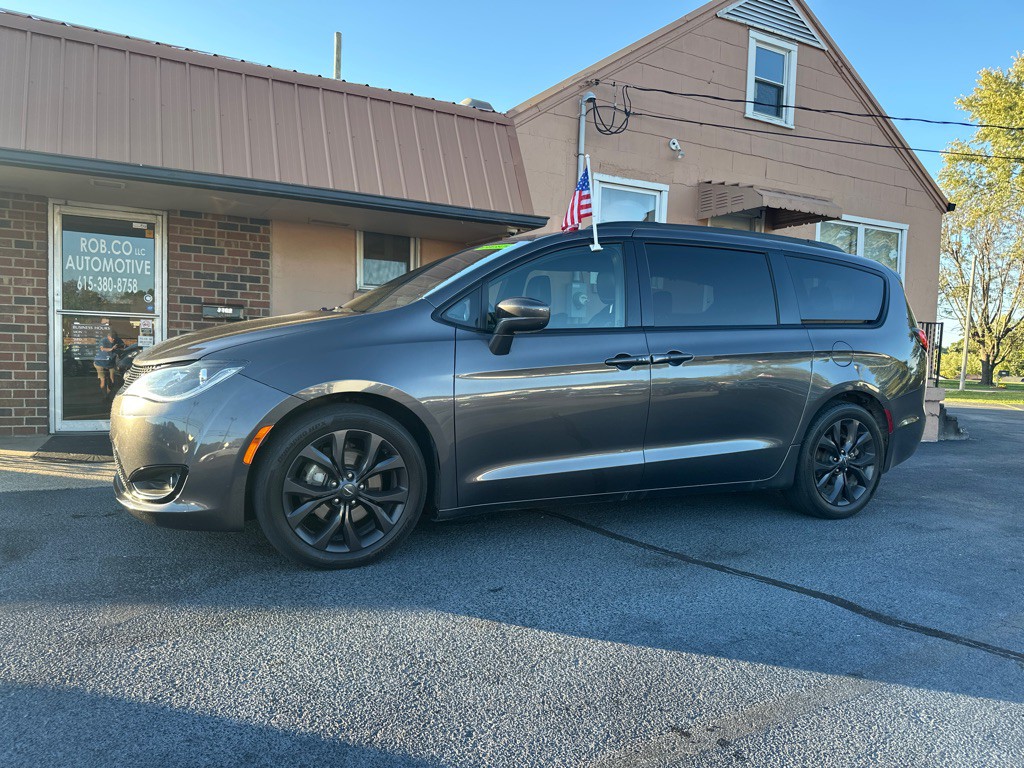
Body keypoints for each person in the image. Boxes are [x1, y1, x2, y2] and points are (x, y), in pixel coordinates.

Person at [93, 319, 124, 396]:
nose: (113, 340)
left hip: (111, 363)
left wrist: (120, 349)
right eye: (111, 338)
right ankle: (104, 396)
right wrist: (111, 349)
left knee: (112, 380)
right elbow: (102, 349)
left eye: (114, 338)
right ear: (108, 337)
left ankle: (108, 394)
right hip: (100, 362)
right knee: (103, 380)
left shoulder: (117, 340)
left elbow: (123, 347)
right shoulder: (103, 340)